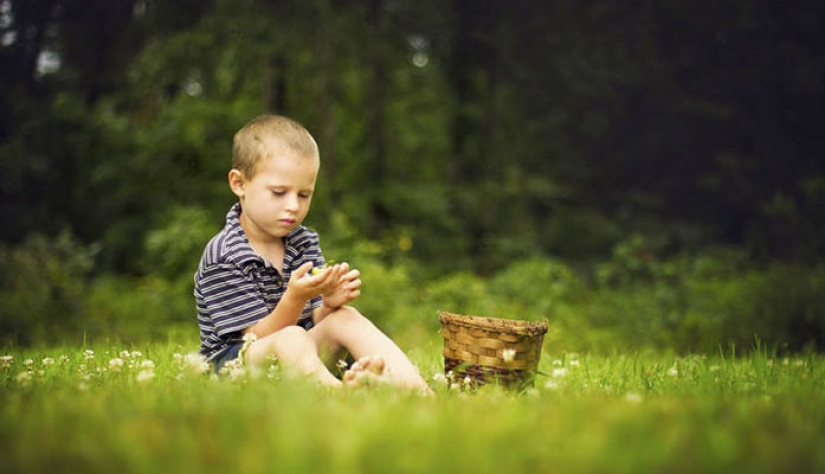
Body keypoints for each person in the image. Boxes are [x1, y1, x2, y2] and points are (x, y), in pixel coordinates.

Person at [194, 114, 430, 393]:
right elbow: (254, 339)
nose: (293, 206)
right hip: (235, 370)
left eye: (304, 195)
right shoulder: (224, 255)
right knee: (291, 337)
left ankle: (418, 391)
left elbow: (315, 318)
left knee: (346, 317)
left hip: (299, 358)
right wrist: (296, 297)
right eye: (279, 192)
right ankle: (339, 396)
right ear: (239, 184)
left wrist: (328, 304)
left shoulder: (303, 241)